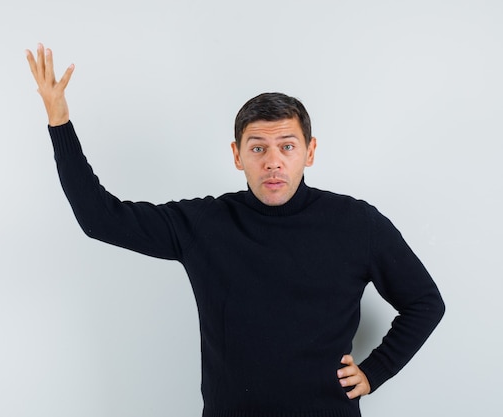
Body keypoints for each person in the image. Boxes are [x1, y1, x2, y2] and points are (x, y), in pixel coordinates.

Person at [26, 43, 445, 417]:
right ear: (237, 155)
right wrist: (59, 122)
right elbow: (100, 219)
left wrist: (376, 371)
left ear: (309, 152)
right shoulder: (203, 224)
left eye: (287, 146)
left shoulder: (357, 223)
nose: (273, 161)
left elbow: (425, 302)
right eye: (258, 148)